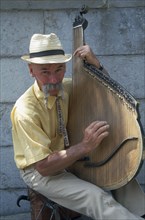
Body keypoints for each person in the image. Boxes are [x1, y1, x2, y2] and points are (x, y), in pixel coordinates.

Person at [11, 33, 144, 219]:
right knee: (95, 197)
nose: (54, 79)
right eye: (45, 72)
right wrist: (84, 146)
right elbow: (43, 167)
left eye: (59, 69)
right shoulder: (25, 110)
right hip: (42, 171)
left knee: (119, 169)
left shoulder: (65, 87)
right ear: (31, 71)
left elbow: (106, 92)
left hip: (72, 154)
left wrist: (96, 64)